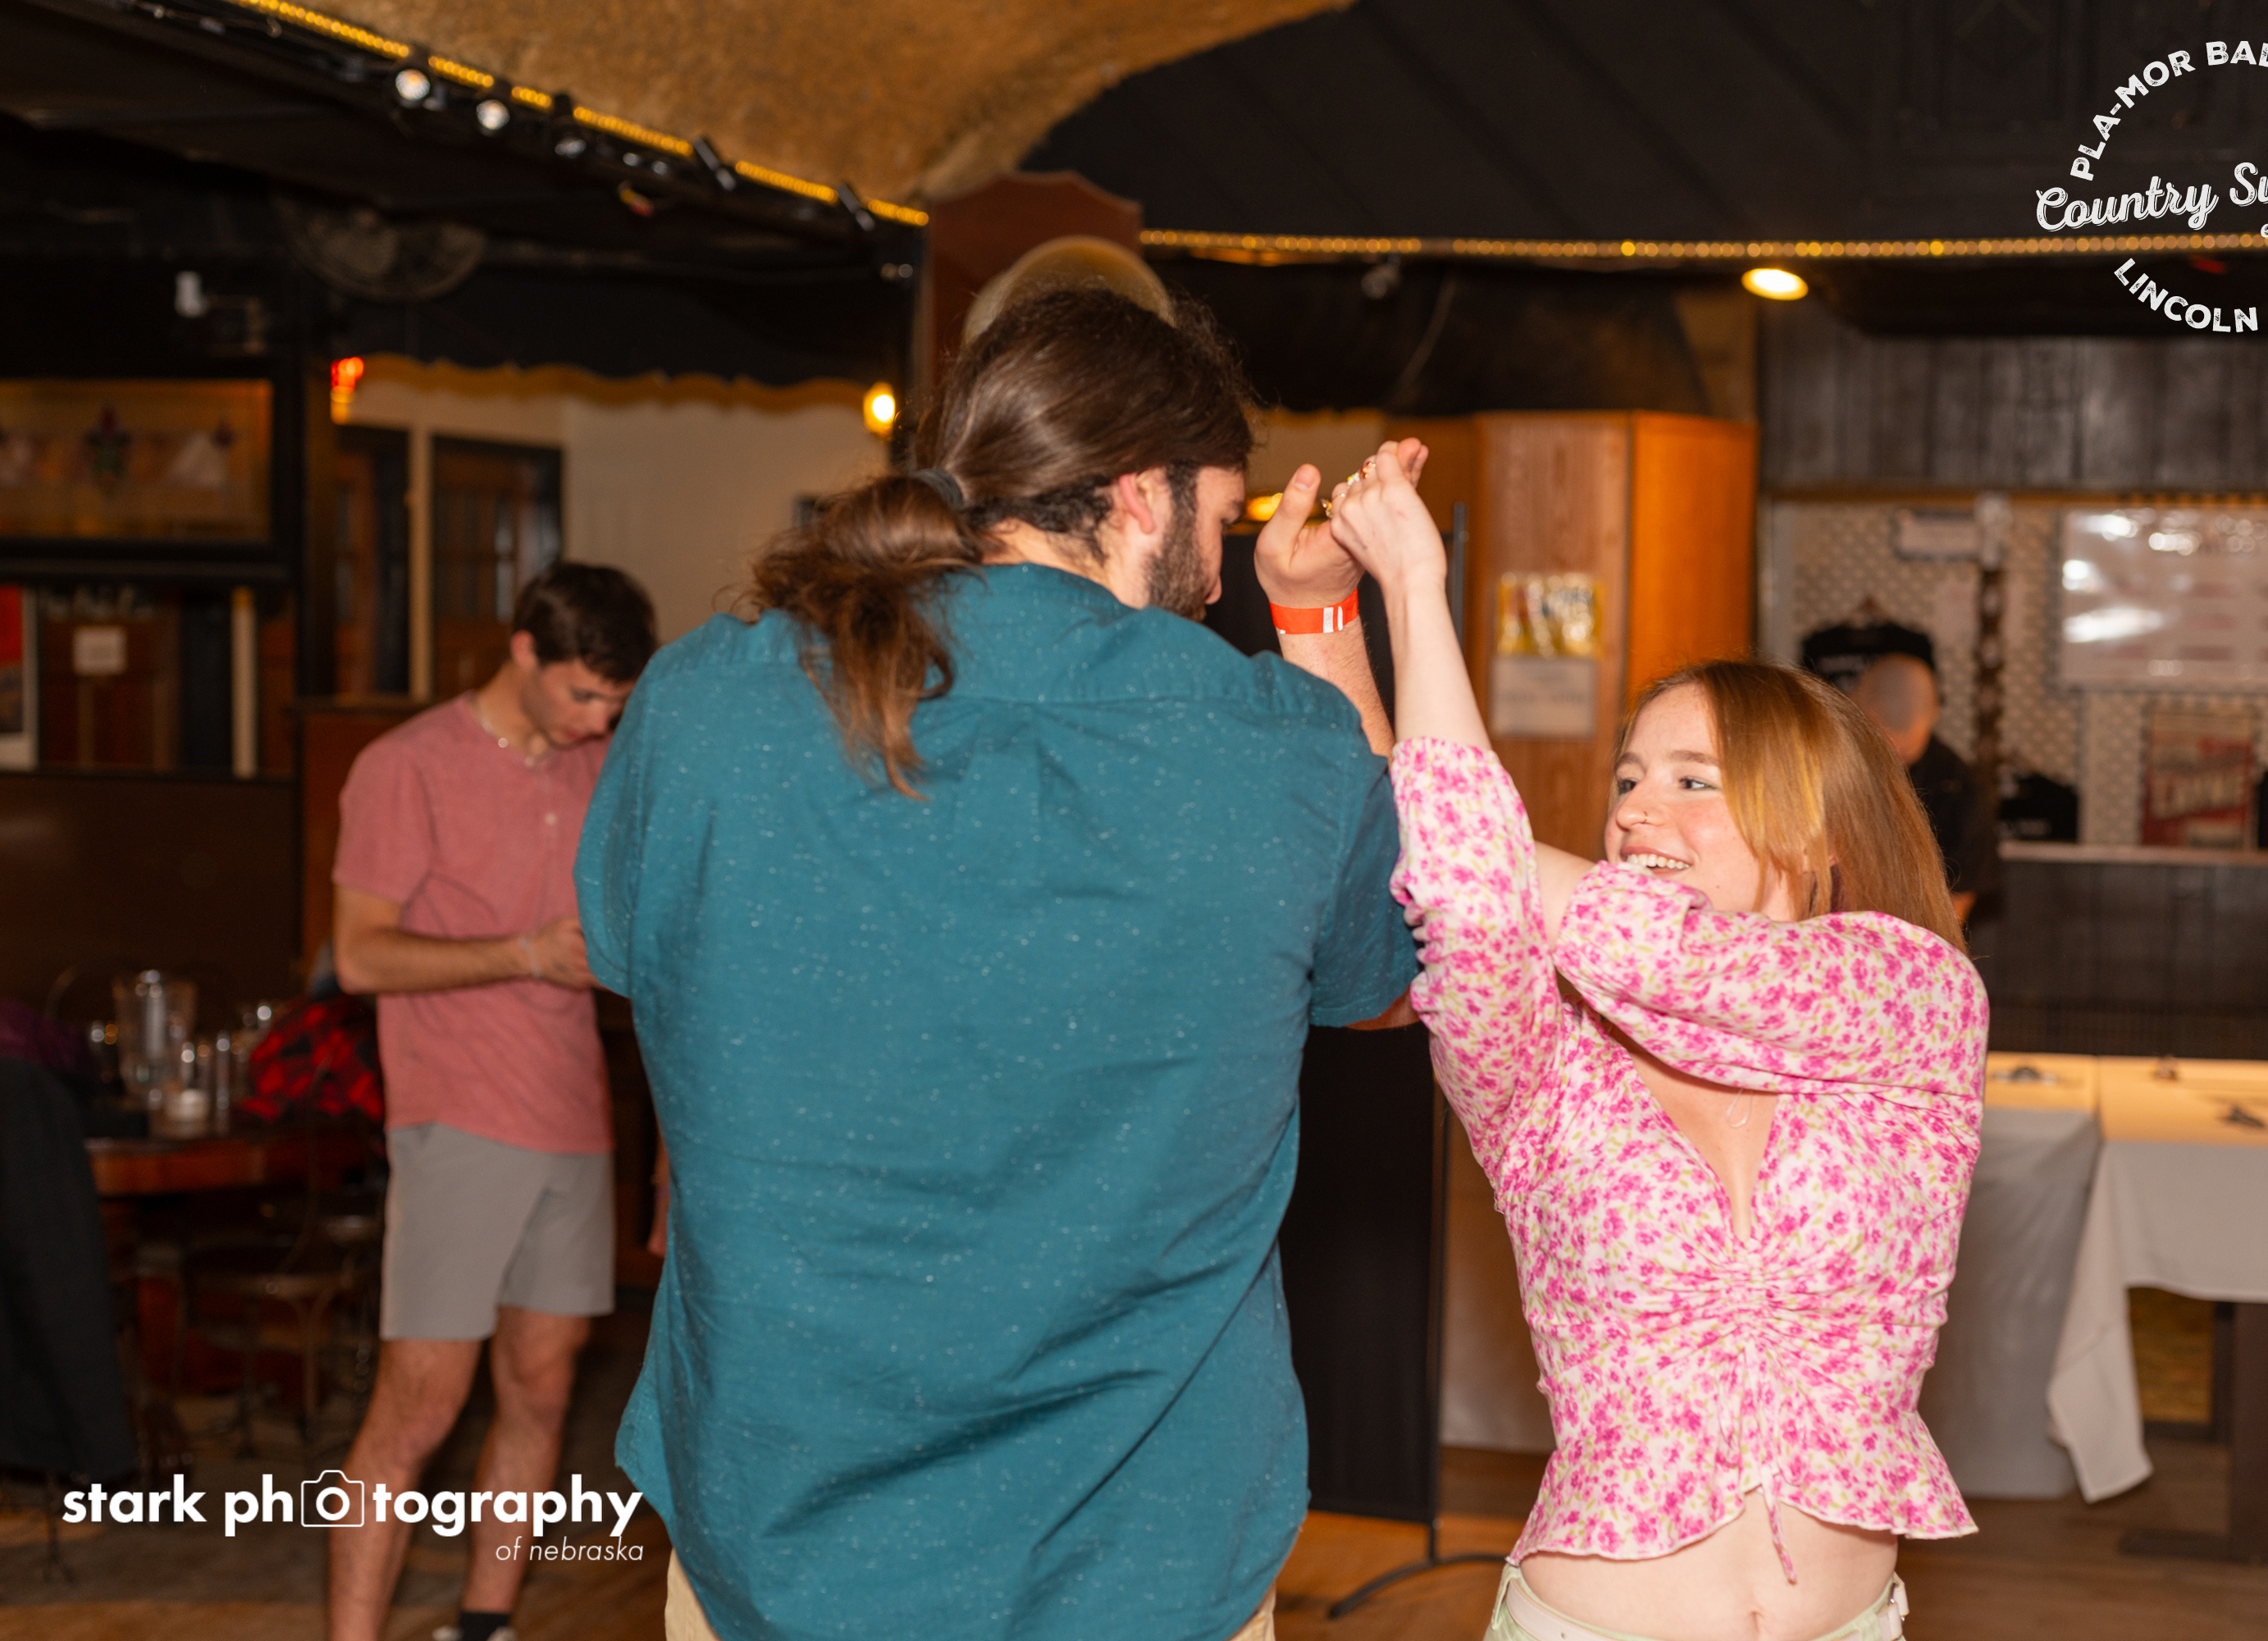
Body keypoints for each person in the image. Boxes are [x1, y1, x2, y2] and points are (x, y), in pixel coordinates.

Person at [573, 287, 1421, 1641]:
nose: (1219, 576)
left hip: (781, 1546)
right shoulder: (1266, 743)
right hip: (1134, 1565)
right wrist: (1318, 622)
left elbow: (633, 960)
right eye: (1221, 521)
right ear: (1139, 493)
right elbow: (1401, 973)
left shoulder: (698, 698)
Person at [1322, 447, 1987, 1641]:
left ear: (1822, 825)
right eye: (1628, 778)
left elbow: (1682, 959)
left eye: (1693, 780)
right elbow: (1460, 891)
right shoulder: (1550, 1061)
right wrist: (1400, 590)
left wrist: (1491, 853)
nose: (1634, 810)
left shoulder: (1913, 1002)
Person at [326, 562, 658, 1641]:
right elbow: (360, 957)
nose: (598, 720)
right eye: (583, 693)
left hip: (574, 1115)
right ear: (524, 651)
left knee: (544, 1390)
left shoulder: (598, 763)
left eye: (615, 701)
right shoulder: (406, 765)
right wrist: (521, 952)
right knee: (421, 1402)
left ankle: (485, 1624)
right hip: (456, 1116)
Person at [1849, 652, 1998, 922]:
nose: (1895, 767)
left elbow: (1958, 900)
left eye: (1906, 757)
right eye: (1883, 751)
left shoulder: (1960, 789)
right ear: (1855, 707)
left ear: (1934, 716)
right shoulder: (1824, 767)